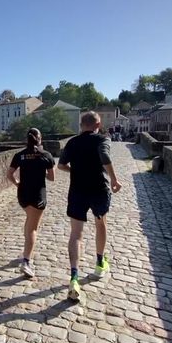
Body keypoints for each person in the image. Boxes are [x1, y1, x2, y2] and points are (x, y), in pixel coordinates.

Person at [58, 111, 122, 301]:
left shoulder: (72, 142)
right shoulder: (103, 139)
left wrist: (75, 170)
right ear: (98, 124)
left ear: (81, 125)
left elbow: (61, 165)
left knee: (76, 234)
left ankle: (74, 277)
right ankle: (100, 263)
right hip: (98, 190)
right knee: (100, 224)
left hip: (78, 190)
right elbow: (104, 156)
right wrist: (114, 180)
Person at [6, 128, 55, 278]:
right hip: (38, 196)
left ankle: (26, 251)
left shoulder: (19, 155)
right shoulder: (46, 155)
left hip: (23, 195)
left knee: (29, 220)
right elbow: (52, 178)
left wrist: (17, 183)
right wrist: (42, 171)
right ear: (40, 139)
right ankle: (26, 261)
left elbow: (9, 174)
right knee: (33, 228)